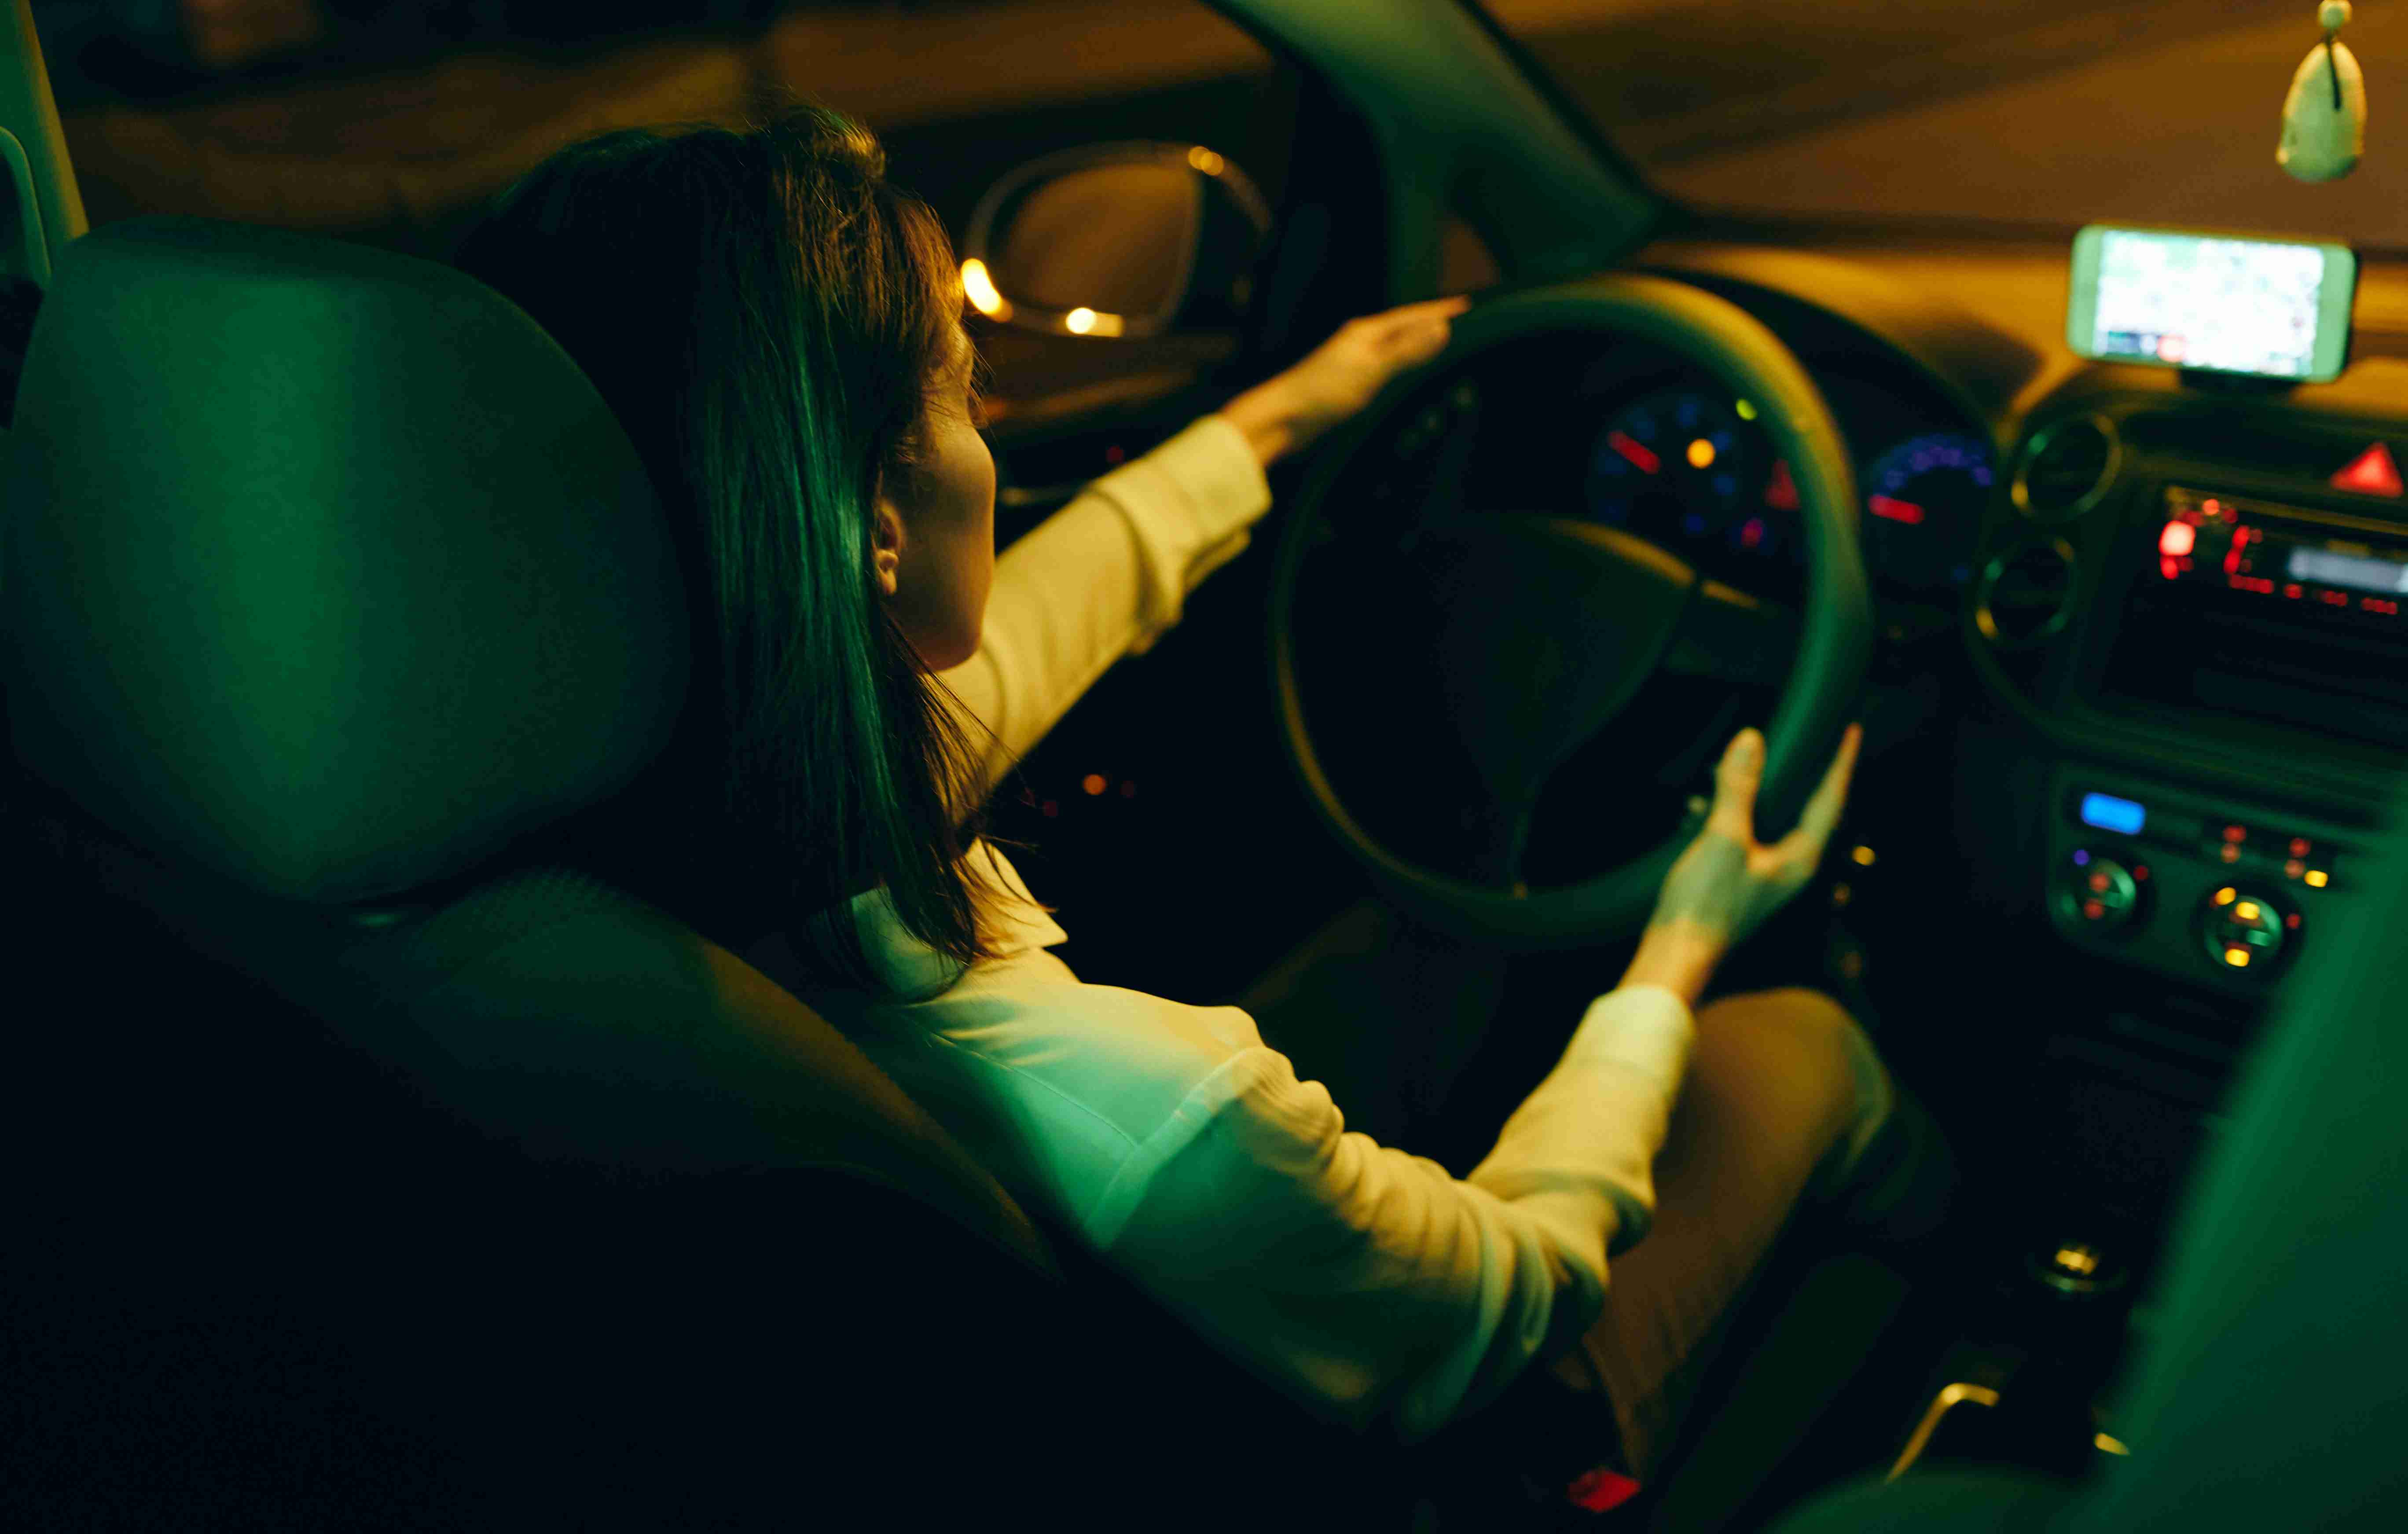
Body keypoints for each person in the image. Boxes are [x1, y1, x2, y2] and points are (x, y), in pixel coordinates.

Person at [452, 105, 1927, 1488]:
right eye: (968, 388)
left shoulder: (587, 860)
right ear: (881, 530)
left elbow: (1007, 640)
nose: (1000, 411)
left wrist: (1282, 416)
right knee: (1809, 1050)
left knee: (1411, 951)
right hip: (1472, 1436)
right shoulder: (1165, 1115)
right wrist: (1678, 951)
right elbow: (1519, 1283)